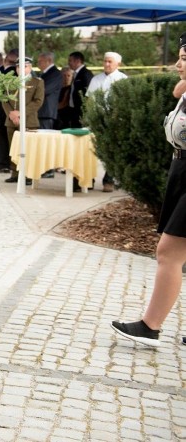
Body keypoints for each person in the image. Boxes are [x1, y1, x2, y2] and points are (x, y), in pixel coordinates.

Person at [111, 37, 186, 348]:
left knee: (168, 252)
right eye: (180, 57)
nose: (178, 64)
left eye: (184, 58)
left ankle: (150, 326)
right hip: (181, 169)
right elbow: (176, 91)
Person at [87, 51, 128, 192]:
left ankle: (108, 181)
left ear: (118, 64)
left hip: (114, 121)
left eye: (110, 61)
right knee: (91, 150)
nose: (106, 64)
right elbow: (89, 100)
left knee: (111, 152)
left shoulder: (123, 80)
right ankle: (88, 180)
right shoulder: (96, 79)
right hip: (96, 120)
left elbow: (124, 103)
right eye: (105, 61)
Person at [3, 58, 45, 184]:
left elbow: (38, 101)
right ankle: (15, 173)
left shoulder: (37, 82)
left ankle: (28, 175)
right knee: (13, 148)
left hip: (29, 121)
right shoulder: (9, 81)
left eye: (24, 66)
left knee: (28, 149)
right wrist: (12, 114)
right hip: (11, 121)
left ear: (30, 67)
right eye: (18, 67)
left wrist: (20, 113)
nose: (21, 69)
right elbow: (4, 99)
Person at [0, 48, 19, 173]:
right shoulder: (5, 71)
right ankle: (3, 162)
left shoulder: (11, 72)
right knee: (1, 137)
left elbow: (1, 91)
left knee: (3, 138)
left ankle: (5, 162)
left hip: (5, 109)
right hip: (1, 108)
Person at [62, 51, 92, 128]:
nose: (69, 63)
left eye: (70, 61)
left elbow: (88, 93)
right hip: (74, 112)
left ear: (78, 61)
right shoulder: (76, 74)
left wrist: (84, 112)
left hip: (81, 113)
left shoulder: (85, 74)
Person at [36, 51, 61, 130]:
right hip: (41, 113)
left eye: (40, 61)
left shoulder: (55, 74)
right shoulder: (44, 73)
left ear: (49, 61)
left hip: (46, 113)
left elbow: (44, 90)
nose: (38, 64)